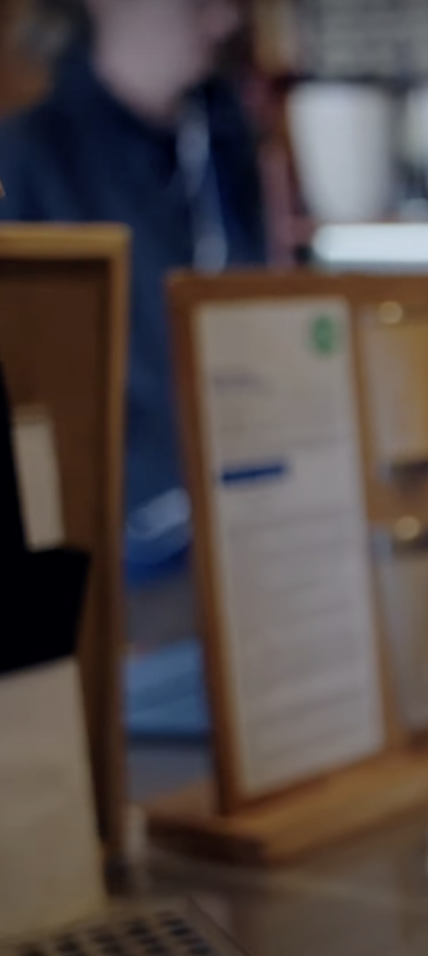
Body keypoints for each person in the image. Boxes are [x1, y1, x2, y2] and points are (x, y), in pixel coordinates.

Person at [0, 0, 264, 591]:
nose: (223, 22)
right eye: (197, 5)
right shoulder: (27, 158)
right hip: (118, 566)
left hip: (254, 529)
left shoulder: (231, 143)